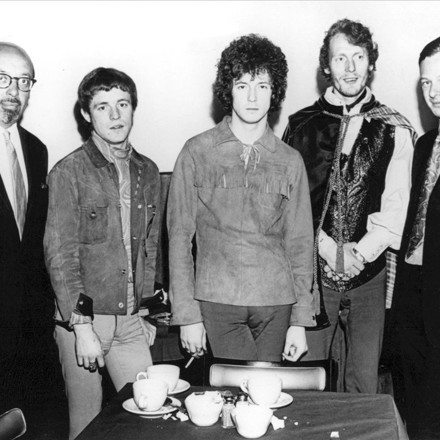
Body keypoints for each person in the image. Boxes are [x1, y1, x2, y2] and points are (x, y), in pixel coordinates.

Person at [282, 19, 416, 394]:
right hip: (312, 274)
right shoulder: (300, 126)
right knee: (308, 380)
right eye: (340, 58)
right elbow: (288, 205)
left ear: (371, 62)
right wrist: (327, 248)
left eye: (359, 57)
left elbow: (397, 204)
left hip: (368, 274)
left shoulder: (395, 127)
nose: (351, 67)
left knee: (363, 383)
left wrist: (359, 253)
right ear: (326, 65)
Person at [167, 34, 316, 363]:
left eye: (262, 86)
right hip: (218, 299)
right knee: (233, 389)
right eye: (242, 85)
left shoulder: (290, 160)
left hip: (277, 302)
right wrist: (187, 315)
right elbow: (179, 238)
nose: (252, 97)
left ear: (274, 92)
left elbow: (301, 245)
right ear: (228, 89)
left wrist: (299, 321)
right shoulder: (196, 152)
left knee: (268, 389)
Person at [44, 67, 161, 440]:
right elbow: (60, 255)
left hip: (130, 320)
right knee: (87, 426)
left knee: (148, 416)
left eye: (122, 104)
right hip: (83, 320)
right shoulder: (69, 172)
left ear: (133, 108)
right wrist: (81, 328)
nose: (115, 115)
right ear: (86, 114)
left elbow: (150, 247)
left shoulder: (148, 171)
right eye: (102, 106)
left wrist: (146, 311)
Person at [0, 42, 54, 407]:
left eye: (24, 81)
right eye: (2, 78)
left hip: (29, 324)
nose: (14, 91)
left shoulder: (37, 149)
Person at [394, 37, 440, 440]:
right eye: (427, 83)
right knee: (416, 413)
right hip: (414, 299)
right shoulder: (425, 145)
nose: (434, 92)